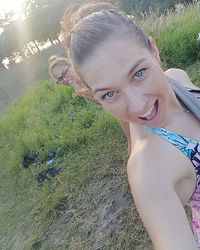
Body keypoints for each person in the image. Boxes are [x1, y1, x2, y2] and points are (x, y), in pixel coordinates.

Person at [55, 2, 200, 249]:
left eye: (139, 73)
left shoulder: (177, 77)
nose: (137, 106)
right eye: (110, 94)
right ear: (95, 97)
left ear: (154, 50)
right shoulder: (149, 169)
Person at [48, 54, 132, 153]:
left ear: (71, 64)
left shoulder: (90, 75)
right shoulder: (79, 88)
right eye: (60, 79)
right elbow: (106, 106)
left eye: (65, 73)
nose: (65, 80)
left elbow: (117, 98)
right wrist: (93, 96)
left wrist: (130, 141)